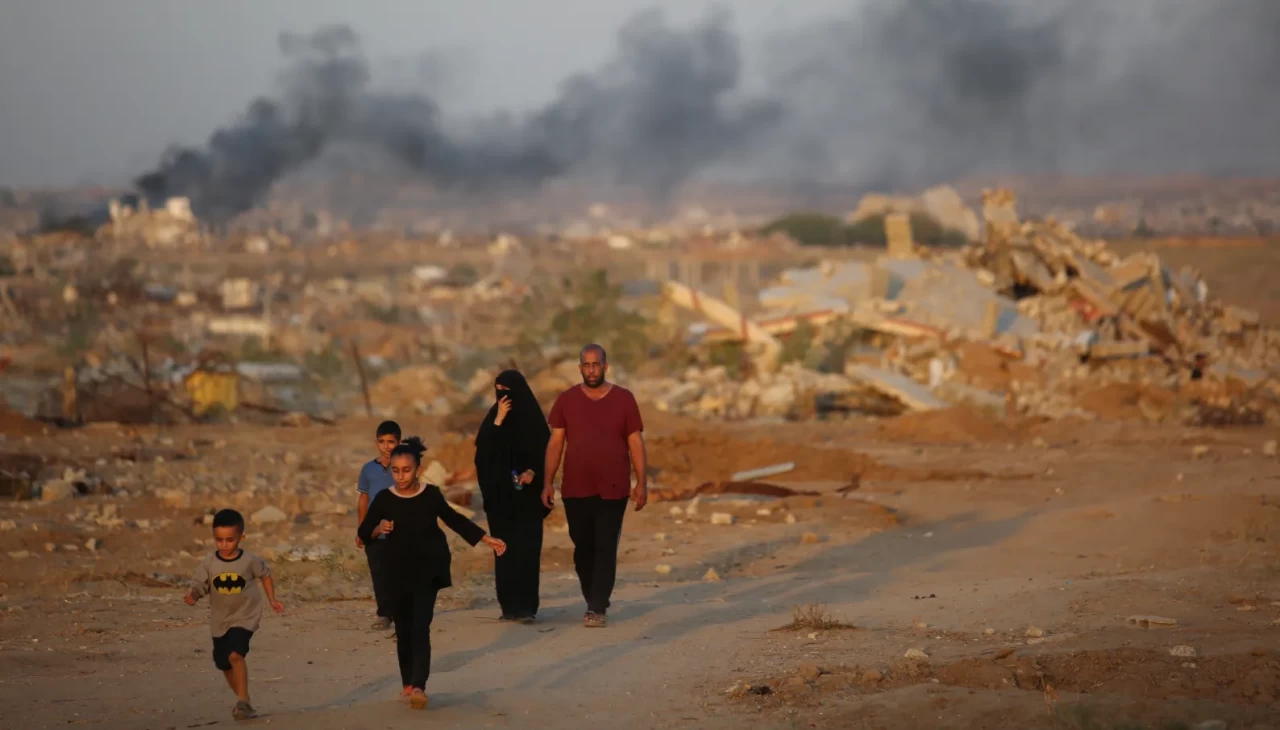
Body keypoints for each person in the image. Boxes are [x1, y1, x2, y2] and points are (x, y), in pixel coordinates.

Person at [357, 437, 507, 710]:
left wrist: (486, 539)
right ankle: (407, 683)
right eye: (396, 470)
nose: (401, 475)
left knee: (420, 627)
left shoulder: (431, 494)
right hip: (396, 571)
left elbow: (455, 520)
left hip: (428, 570)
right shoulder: (383, 499)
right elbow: (363, 532)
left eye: (406, 470)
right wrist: (379, 528)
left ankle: (419, 686)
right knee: (403, 630)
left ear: (418, 469)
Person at [542, 344, 647, 628]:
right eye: (586, 365)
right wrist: (547, 483)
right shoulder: (566, 400)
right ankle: (594, 595)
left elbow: (635, 441)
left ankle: (596, 605)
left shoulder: (624, 399)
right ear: (580, 368)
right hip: (576, 487)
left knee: (605, 545)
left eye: (596, 365)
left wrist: (642, 482)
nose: (591, 370)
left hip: (614, 487)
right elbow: (555, 443)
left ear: (605, 366)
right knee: (582, 546)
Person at [184, 508, 284, 721]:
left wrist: (272, 600)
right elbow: (199, 585)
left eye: (230, 540)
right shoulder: (209, 563)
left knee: (235, 655)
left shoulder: (249, 560)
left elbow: (265, 576)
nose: (224, 545)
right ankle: (243, 698)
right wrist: (193, 594)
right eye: (219, 540)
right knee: (223, 663)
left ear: (241, 538)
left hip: (246, 615)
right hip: (220, 620)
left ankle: (242, 701)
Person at [474, 369, 551, 623]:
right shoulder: (492, 419)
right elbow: (484, 455)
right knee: (504, 550)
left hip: (527, 499)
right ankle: (509, 606)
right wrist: (499, 420)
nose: (502, 396)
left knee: (527, 551)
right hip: (500, 500)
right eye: (497, 390)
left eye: (506, 391)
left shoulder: (534, 421)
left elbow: (546, 454)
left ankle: (527, 607)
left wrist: (533, 471)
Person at [355, 420, 401, 631]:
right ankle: (384, 614)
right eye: (382, 441)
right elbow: (363, 499)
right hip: (374, 531)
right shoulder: (368, 469)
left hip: (400, 530)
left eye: (391, 442)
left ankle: (403, 614)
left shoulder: (404, 467)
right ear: (376, 443)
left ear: (399, 443)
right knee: (379, 573)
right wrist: (361, 529)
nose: (386, 446)